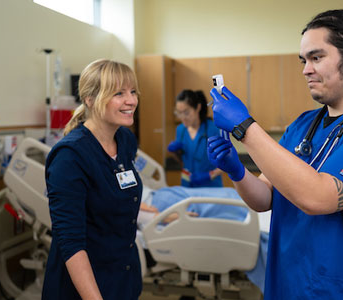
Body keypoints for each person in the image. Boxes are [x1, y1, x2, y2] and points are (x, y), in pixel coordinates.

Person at [207, 9, 343, 299]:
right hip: (290, 286)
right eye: (304, 60)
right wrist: (237, 172)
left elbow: (319, 197)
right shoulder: (303, 126)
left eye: (316, 57)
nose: (306, 69)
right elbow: (265, 197)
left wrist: (246, 128)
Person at [42, 59, 143, 300]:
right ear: (90, 99)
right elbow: (71, 242)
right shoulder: (70, 157)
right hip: (85, 288)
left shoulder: (125, 140)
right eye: (119, 93)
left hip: (123, 278)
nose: (131, 101)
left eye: (132, 91)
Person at [168, 89, 223, 187]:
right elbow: (183, 161)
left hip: (210, 186)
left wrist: (210, 175)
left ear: (198, 107)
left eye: (186, 112)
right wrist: (175, 153)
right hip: (187, 184)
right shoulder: (180, 130)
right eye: (179, 113)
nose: (182, 117)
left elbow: (226, 162)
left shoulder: (212, 129)